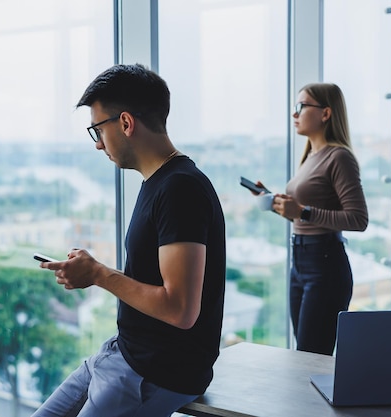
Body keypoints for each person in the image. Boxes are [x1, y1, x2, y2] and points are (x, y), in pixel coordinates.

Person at [32, 63, 226, 417]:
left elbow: (181, 310)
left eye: (97, 130)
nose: (98, 145)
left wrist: (98, 274)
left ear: (125, 123)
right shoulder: (159, 182)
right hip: (121, 354)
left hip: (154, 373)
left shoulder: (180, 188)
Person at [249, 83, 368, 355]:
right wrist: (279, 203)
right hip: (301, 262)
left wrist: (302, 211)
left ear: (325, 114)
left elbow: (358, 218)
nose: (295, 114)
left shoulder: (339, 157)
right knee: (305, 355)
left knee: (310, 357)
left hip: (324, 265)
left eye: (301, 106)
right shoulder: (311, 156)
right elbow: (306, 210)